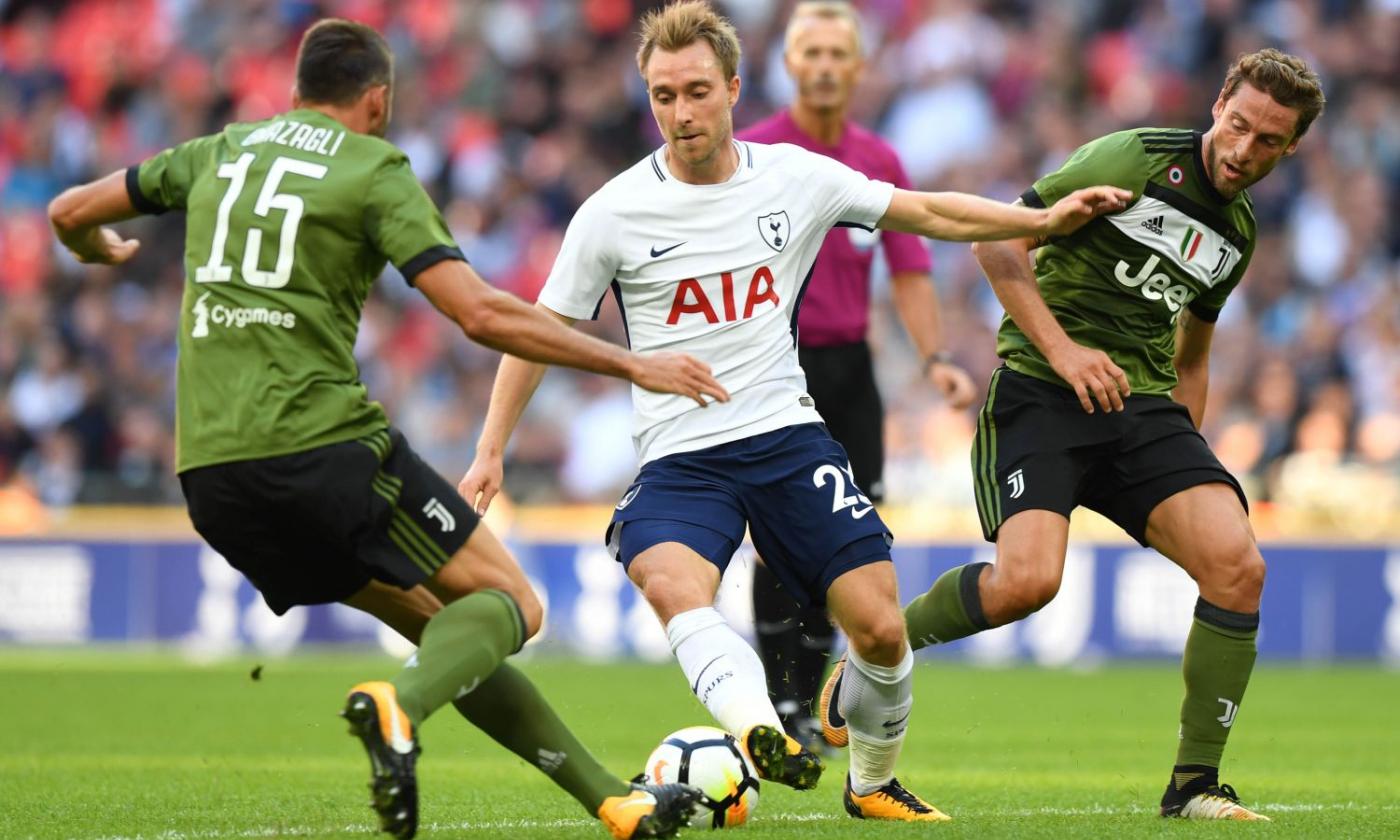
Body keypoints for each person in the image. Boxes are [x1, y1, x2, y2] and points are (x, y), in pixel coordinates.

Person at [46, 18, 728, 840]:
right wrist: (634, 363)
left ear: (296, 92)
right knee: (513, 603)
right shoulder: (372, 167)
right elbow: (477, 313)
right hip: (320, 446)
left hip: (212, 479)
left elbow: (70, 208)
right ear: (378, 100)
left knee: (452, 635)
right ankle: (394, 705)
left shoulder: (215, 152)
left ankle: (612, 803)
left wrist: (93, 245)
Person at [459, 0, 1126, 822]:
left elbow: (930, 212)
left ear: (734, 87)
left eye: (697, 91)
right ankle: (758, 729)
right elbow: (536, 333)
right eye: (663, 95)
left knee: (880, 630)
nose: (681, 112)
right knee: (670, 581)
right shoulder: (613, 211)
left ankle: (873, 784)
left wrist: (1042, 219)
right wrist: (490, 449)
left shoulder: (795, 178)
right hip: (681, 456)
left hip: (786, 439)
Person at [820, 48, 1325, 822]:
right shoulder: (1136, 157)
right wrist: (1064, 351)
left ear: (1291, 148)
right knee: (1028, 583)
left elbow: (1193, 351)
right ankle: (878, 648)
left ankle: (1194, 785)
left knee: (1237, 568)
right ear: (1219, 102)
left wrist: (1179, 462)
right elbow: (999, 243)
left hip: (1142, 409)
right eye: (1237, 125)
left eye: (1266, 142)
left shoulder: (1240, 233)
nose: (1241, 150)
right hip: (1043, 389)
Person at [736, 0, 977, 748]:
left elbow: (910, 268)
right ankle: (787, 705)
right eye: (812, 53)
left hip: (852, 370)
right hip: (778, 366)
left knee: (852, 537)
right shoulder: (754, 153)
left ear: (861, 68)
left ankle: (814, 700)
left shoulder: (880, 160)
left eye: (840, 54)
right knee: (781, 539)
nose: (826, 67)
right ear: (790, 64)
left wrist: (935, 358)